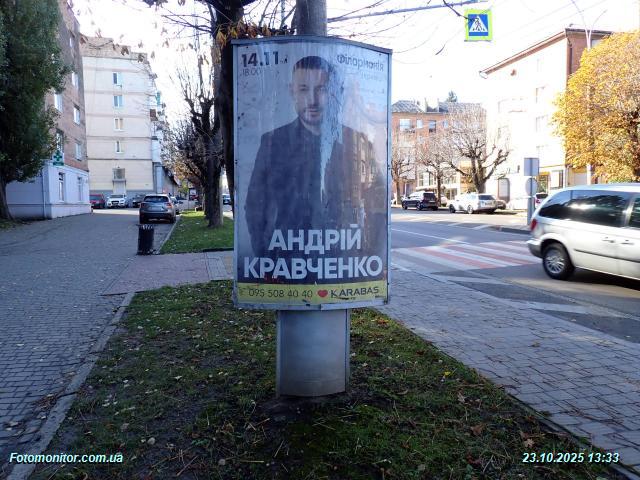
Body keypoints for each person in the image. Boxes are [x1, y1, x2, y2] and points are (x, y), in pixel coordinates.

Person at [242, 55, 386, 282]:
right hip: (288, 265)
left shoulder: (354, 141)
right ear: (292, 92)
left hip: (341, 264)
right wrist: (266, 259)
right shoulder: (273, 142)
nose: (312, 100)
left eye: (321, 89)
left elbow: (376, 204)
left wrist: (370, 257)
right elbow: (255, 207)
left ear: (333, 93)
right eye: (303, 89)